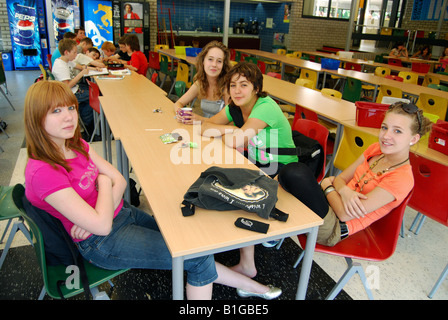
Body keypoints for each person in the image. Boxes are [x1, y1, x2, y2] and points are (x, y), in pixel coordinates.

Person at [23, 80, 281, 300]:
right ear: (37, 116)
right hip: (100, 243)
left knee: (193, 244)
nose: (69, 116)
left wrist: (100, 210)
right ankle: (253, 287)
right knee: (195, 258)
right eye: (56, 111)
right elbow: (102, 222)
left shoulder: (75, 144)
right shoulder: (43, 172)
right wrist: (103, 185)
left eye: (70, 107)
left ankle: (252, 286)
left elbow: (121, 181)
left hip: (121, 215)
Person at [278, 102, 433, 247]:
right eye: (384, 127)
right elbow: (341, 178)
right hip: (327, 204)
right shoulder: (375, 150)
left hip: (334, 228)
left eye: (397, 131)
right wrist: (344, 191)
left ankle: (275, 229)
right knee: (286, 172)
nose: (386, 136)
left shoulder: (402, 178)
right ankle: (274, 229)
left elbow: (345, 214)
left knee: (295, 173)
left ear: (413, 139)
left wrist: (327, 185)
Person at [201, 61, 297, 178]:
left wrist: (227, 133)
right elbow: (205, 127)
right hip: (255, 160)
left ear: (256, 88)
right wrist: (232, 129)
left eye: (244, 85)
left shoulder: (265, 107)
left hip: (281, 167)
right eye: (233, 85)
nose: (237, 91)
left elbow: (233, 142)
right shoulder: (235, 107)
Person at [52, 39, 102, 138]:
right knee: (96, 96)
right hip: (70, 93)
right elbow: (67, 86)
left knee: (94, 92)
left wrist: (94, 69)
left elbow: (81, 67)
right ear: (66, 52)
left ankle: (92, 125)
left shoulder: (66, 61)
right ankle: (91, 128)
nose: (76, 54)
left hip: (75, 89)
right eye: (74, 52)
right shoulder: (60, 66)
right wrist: (81, 75)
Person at [174, 41, 232, 123]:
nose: (214, 64)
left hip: (222, 132)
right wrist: (180, 113)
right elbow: (178, 103)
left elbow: (229, 121)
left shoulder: (227, 87)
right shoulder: (200, 83)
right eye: (210, 59)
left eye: (219, 61)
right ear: (203, 61)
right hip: (206, 130)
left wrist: (200, 120)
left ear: (223, 65)